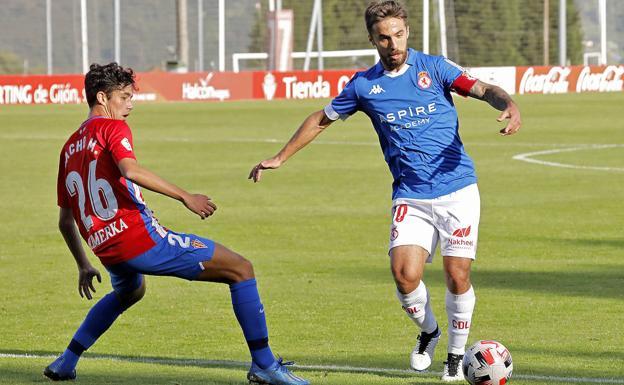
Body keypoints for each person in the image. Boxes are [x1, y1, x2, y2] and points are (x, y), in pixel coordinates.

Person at [249, 0, 521, 382]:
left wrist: (507, 103)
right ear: (372, 40)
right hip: (410, 193)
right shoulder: (364, 86)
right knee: (404, 275)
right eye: (383, 37)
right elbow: (321, 119)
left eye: (398, 34)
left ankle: (456, 359)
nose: (392, 43)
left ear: (407, 32)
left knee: (457, 275)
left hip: (458, 189)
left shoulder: (435, 68)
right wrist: (280, 157)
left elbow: (482, 88)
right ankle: (429, 332)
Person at [47, 62, 309, 385]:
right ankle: (265, 365)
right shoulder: (111, 128)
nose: (131, 105)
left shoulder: (68, 149)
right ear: (102, 97)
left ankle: (66, 360)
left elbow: (64, 220)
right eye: (125, 97)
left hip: (105, 247)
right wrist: (186, 196)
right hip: (139, 239)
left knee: (130, 290)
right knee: (241, 269)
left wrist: (83, 264)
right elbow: (130, 170)